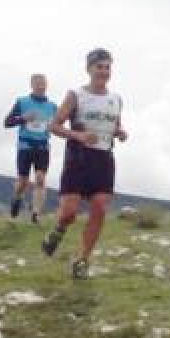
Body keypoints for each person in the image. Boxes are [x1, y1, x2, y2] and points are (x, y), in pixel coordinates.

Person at [41, 48, 127, 279]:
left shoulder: (116, 99)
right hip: (78, 157)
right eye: (99, 67)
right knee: (69, 212)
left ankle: (83, 260)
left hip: (104, 159)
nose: (104, 71)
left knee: (99, 207)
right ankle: (58, 230)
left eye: (107, 67)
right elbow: (54, 126)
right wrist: (78, 136)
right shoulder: (76, 95)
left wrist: (120, 132)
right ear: (89, 69)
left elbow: (114, 124)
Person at [3, 74, 58, 224]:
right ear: (32, 85)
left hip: (43, 146)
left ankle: (36, 214)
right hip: (25, 146)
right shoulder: (22, 102)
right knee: (23, 182)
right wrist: (22, 118)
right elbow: (7, 122)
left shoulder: (52, 107)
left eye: (44, 84)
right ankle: (17, 200)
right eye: (38, 84)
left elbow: (58, 126)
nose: (41, 86)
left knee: (40, 179)